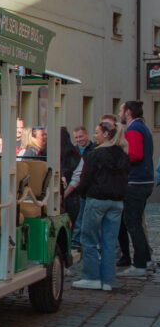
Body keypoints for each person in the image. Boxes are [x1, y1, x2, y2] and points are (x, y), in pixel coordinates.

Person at [70, 121, 129, 291]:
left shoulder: (95, 154)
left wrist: (82, 193)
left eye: (97, 132)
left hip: (97, 199)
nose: (94, 136)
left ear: (106, 134)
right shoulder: (123, 155)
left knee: (89, 239)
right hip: (116, 202)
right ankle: (108, 280)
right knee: (109, 242)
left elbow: (86, 177)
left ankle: (91, 277)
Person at [117, 100, 154, 276]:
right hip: (144, 181)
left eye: (121, 110)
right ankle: (145, 258)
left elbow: (135, 155)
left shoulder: (134, 129)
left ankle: (139, 264)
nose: (119, 113)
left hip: (136, 182)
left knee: (133, 223)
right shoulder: (142, 128)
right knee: (135, 222)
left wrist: (119, 159)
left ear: (129, 112)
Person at [59, 127, 82, 225]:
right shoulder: (76, 156)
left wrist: (61, 197)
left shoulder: (46, 153)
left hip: (59, 199)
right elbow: (76, 180)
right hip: (72, 199)